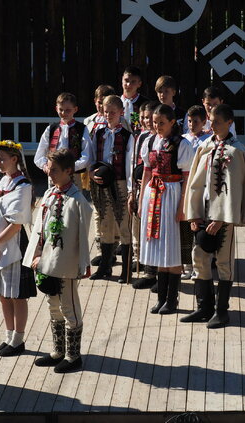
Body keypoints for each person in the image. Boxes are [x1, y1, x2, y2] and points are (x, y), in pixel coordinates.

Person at [182, 104, 245, 328]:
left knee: (223, 261)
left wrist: (222, 218)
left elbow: (238, 188)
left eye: (216, 122)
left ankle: (221, 311)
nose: (212, 125)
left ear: (229, 123)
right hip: (203, 211)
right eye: (210, 121)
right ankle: (204, 307)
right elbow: (195, 182)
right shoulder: (206, 146)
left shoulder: (236, 151)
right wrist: (193, 213)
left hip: (223, 216)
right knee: (200, 258)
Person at [23, 148, 92, 373]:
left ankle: (73, 356)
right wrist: (35, 254)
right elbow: (39, 229)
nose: (48, 173)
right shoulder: (50, 194)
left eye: (54, 170)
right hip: (46, 262)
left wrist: (83, 264)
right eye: (48, 169)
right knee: (53, 305)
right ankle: (58, 351)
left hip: (67, 263)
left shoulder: (78, 201)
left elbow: (82, 237)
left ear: (68, 171)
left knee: (69, 306)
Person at [0, 139, 36, 357]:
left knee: (17, 295)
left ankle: (18, 339)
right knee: (4, 294)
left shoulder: (23, 186)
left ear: (15, 159)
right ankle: (8, 335)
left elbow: (17, 223)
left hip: (14, 246)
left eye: (2, 159)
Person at [138, 104, 194, 314]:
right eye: (154, 122)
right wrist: (142, 200)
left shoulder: (182, 144)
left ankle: (172, 300)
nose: (157, 126)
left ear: (172, 122)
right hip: (153, 195)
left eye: (161, 122)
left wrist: (182, 206)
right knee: (159, 248)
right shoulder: (150, 141)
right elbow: (146, 172)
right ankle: (161, 298)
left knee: (172, 248)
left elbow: (187, 178)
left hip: (171, 194)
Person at [89, 95, 134, 284]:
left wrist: (130, 189)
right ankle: (105, 266)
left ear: (121, 112)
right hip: (102, 182)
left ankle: (126, 270)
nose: (108, 115)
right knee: (105, 224)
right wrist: (92, 173)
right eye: (106, 112)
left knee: (124, 224)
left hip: (120, 182)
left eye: (112, 112)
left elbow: (130, 163)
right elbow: (91, 155)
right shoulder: (98, 133)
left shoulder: (126, 136)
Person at [84, 84, 120, 269]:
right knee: (99, 211)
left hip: (114, 174)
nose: (102, 109)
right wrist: (89, 170)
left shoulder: (118, 123)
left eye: (105, 105)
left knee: (114, 212)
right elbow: (86, 149)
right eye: (99, 104)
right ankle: (101, 249)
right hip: (96, 171)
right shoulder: (89, 122)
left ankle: (113, 247)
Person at [179, 105, 212, 280]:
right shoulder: (183, 139)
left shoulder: (208, 140)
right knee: (185, 226)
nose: (192, 125)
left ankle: (201, 264)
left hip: (201, 188)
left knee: (199, 225)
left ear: (204, 122)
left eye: (196, 122)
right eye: (189, 121)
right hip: (184, 187)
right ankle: (187, 265)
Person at [131, 100, 160, 289]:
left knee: (158, 231)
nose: (147, 121)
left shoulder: (166, 139)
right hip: (144, 189)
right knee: (144, 230)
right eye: (144, 118)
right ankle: (149, 271)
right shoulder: (142, 138)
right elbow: (134, 164)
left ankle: (161, 272)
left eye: (151, 118)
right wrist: (132, 191)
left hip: (161, 190)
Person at [34, 92, 91, 189]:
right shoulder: (51, 129)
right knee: (54, 200)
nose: (64, 113)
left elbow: (87, 155)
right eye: (61, 110)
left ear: (75, 109)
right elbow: (39, 155)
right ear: (56, 108)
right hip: (53, 174)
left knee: (73, 201)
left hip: (73, 174)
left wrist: (72, 168)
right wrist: (46, 166)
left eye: (68, 110)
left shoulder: (82, 129)